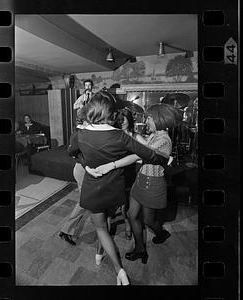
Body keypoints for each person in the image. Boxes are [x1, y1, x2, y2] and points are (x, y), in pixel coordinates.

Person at [68, 91, 170, 285]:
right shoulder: (120, 136)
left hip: (93, 189)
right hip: (114, 190)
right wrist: (164, 158)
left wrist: (87, 165)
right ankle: (101, 254)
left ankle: (118, 269)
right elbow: (151, 156)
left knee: (101, 227)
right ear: (112, 114)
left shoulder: (80, 134)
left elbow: (71, 152)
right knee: (107, 221)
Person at [88, 103, 180, 265]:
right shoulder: (153, 135)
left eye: (149, 118)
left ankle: (161, 233)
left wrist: (112, 165)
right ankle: (140, 249)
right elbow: (141, 144)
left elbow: (139, 155)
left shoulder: (164, 139)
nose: (146, 122)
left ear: (158, 119)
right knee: (131, 214)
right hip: (141, 180)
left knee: (148, 221)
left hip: (153, 184)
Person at [59, 79, 94, 246]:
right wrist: (85, 161)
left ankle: (67, 230)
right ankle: (66, 230)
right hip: (81, 169)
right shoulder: (79, 133)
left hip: (83, 168)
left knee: (84, 201)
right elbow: (71, 152)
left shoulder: (89, 131)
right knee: (83, 202)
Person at [115, 108, 142, 240]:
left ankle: (130, 224)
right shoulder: (115, 135)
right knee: (122, 202)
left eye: (124, 119)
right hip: (118, 173)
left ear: (129, 120)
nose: (122, 122)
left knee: (131, 202)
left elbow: (147, 151)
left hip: (132, 173)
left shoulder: (136, 136)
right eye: (119, 120)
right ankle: (127, 222)